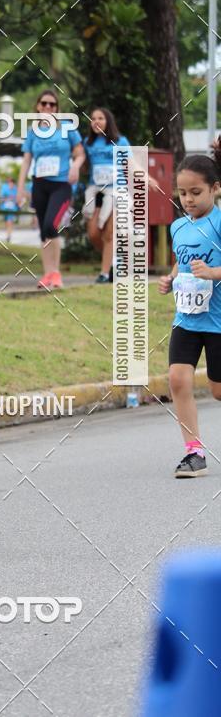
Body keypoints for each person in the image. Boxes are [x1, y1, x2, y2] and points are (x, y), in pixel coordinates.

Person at [158, 138, 221, 478]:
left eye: (196, 192)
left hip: (219, 320)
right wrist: (170, 281)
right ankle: (194, 453)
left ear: (215, 189)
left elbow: (208, 269)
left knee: (218, 391)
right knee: (178, 379)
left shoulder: (220, 222)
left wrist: (213, 273)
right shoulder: (178, 226)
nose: (189, 200)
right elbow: (179, 265)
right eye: (183, 193)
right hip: (187, 318)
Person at [16, 89, 84, 289]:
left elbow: (80, 153)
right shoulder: (32, 132)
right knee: (43, 233)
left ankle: (56, 273)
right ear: (38, 106)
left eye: (52, 104)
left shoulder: (67, 127)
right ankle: (48, 274)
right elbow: (27, 161)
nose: (47, 107)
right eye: (44, 103)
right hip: (39, 184)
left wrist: (75, 166)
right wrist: (20, 188)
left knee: (50, 225)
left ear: (57, 108)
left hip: (61, 185)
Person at [82, 108, 131, 283]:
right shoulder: (87, 143)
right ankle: (114, 261)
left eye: (100, 118)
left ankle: (104, 274)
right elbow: (81, 162)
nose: (96, 121)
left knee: (110, 233)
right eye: (93, 118)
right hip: (97, 192)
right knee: (94, 233)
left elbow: (130, 164)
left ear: (108, 121)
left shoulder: (120, 141)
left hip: (117, 192)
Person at [0, 176, 18, 243]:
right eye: (9, 182)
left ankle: (9, 235)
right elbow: (2, 198)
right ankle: (8, 234)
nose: (10, 184)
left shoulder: (15, 189)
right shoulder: (4, 188)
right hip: (5, 207)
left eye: (11, 182)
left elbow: (17, 199)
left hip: (12, 208)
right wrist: (7, 199)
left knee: (10, 221)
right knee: (7, 222)